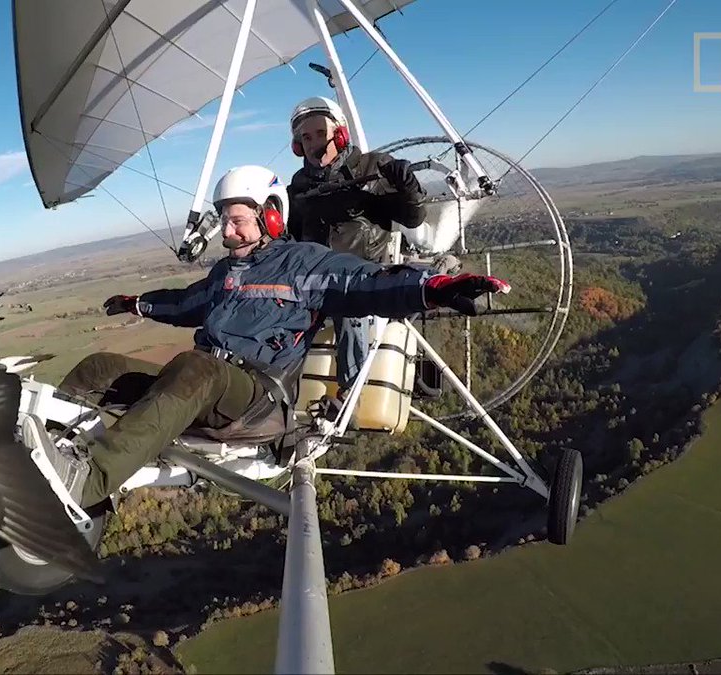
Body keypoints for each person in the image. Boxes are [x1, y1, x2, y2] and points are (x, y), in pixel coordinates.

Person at [47, 165, 510, 510]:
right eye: (224, 220)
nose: (227, 231)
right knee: (99, 368)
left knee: (194, 368)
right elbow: (187, 303)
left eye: (237, 220)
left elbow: (365, 284)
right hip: (206, 389)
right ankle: (44, 457)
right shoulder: (227, 273)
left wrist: (433, 289)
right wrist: (138, 303)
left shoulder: (303, 263)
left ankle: (87, 481)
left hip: (258, 403)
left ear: (270, 217)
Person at [286, 95, 440, 400]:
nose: (315, 143)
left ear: (340, 135)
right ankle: (280, 393)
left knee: (347, 306)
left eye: (320, 134)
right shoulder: (300, 184)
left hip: (362, 269)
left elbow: (413, 217)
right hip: (313, 274)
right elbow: (293, 234)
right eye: (306, 137)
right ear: (297, 147)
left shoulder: (372, 166)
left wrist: (408, 187)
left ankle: (350, 392)